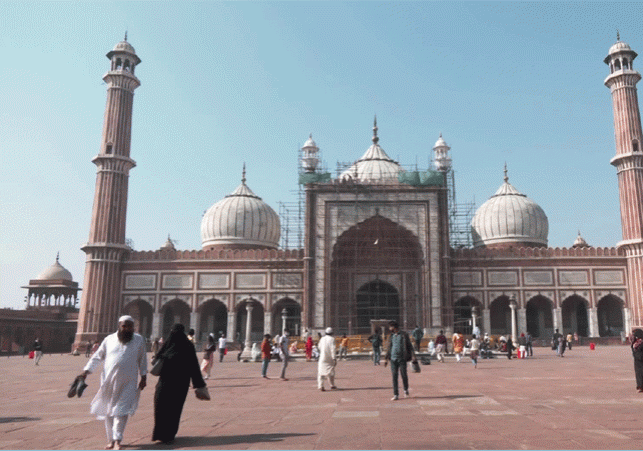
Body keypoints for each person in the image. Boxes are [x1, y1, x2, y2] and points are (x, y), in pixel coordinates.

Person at [78, 316, 147, 450]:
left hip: (129, 381)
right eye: (124, 326)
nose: (127, 328)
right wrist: (86, 372)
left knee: (121, 410)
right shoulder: (109, 340)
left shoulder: (138, 340)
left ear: (133, 327)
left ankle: (118, 439)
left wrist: (144, 377)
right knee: (108, 411)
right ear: (119, 326)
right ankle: (110, 439)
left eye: (130, 326)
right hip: (108, 381)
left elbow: (142, 359)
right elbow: (97, 357)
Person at [151, 324, 207, 444]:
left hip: (171, 383)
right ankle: (162, 433)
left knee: (170, 409)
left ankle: (167, 434)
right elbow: (194, 367)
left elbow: (193, 366)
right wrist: (198, 383)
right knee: (167, 408)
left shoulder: (175, 345)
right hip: (177, 383)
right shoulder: (184, 345)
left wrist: (199, 384)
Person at [384, 321, 417, 401]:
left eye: (390, 327)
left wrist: (413, 356)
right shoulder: (391, 336)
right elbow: (389, 348)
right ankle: (396, 394)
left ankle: (405, 390)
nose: (389, 328)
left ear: (395, 327)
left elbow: (409, 346)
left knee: (404, 375)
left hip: (402, 358)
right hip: (393, 359)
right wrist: (386, 359)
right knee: (394, 376)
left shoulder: (404, 335)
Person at [630, 329, 643, 393]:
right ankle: (640, 386)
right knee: (638, 374)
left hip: (641, 359)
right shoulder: (634, 342)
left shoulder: (641, 342)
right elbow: (633, 350)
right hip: (637, 361)